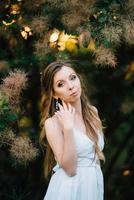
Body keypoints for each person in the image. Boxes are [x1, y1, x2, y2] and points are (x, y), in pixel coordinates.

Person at [40, 60, 105, 200]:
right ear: (54, 94)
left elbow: (96, 159)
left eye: (72, 77)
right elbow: (69, 169)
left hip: (92, 186)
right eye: (60, 84)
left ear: (79, 79)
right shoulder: (53, 124)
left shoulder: (93, 113)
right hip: (68, 189)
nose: (71, 86)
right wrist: (68, 128)